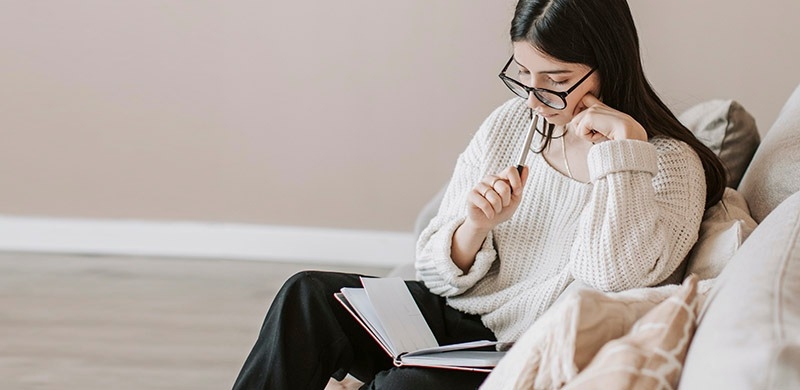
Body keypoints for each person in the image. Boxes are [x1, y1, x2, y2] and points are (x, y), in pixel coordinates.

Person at [233, 0, 726, 388]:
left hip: (517, 352)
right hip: (457, 322)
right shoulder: (513, 124)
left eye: (555, 82)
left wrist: (622, 156)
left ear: (608, 65)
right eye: (522, 75)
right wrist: (474, 227)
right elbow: (432, 269)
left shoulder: (669, 164)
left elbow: (613, 280)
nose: (534, 98)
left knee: (407, 386)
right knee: (308, 295)